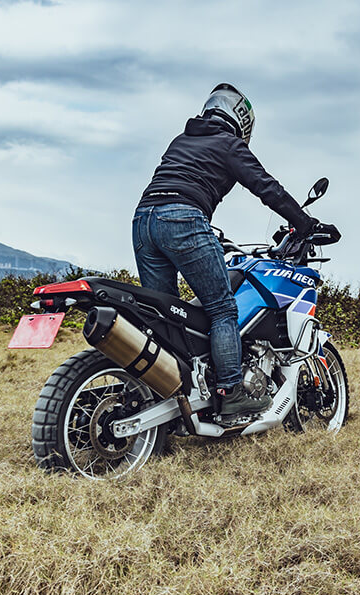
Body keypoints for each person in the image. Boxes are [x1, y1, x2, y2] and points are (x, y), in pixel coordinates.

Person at [133, 83, 318, 419]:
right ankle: (232, 391)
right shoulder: (229, 144)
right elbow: (266, 187)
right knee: (221, 308)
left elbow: (177, 182)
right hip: (183, 218)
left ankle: (168, 395)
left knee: (166, 317)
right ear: (241, 119)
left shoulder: (181, 141)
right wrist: (304, 223)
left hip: (143, 219)